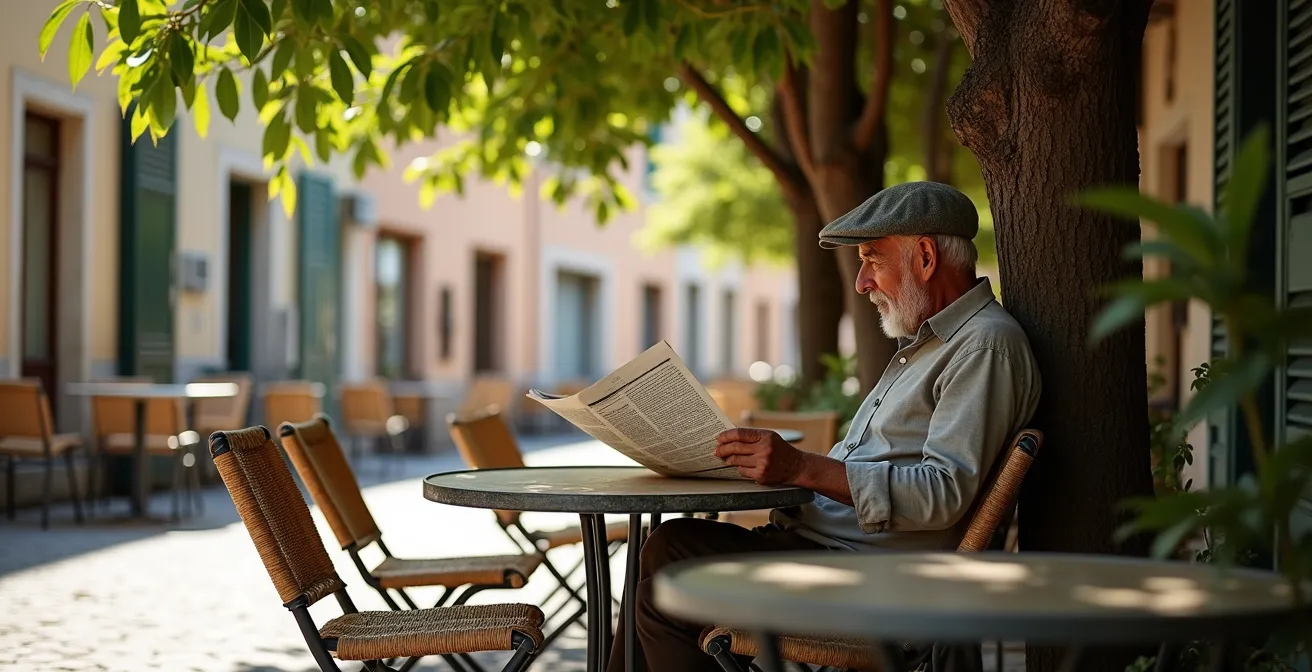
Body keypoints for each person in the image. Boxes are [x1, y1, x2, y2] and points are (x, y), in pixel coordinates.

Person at [606, 181, 1042, 672]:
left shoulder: (983, 347)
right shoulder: (935, 344)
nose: (861, 283)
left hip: (876, 580)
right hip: (835, 552)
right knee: (668, 546)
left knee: (664, 594)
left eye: (872, 259)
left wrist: (800, 468)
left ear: (924, 256)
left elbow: (943, 492)